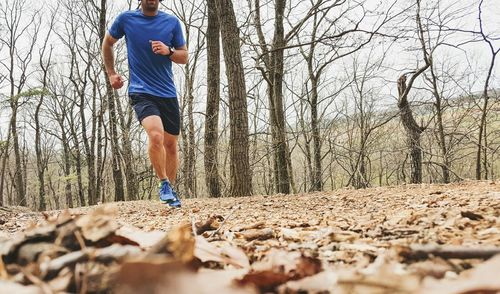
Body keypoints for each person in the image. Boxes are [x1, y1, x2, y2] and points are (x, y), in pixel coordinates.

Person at [102, 0, 188, 208]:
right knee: (155, 135)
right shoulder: (126, 19)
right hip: (141, 90)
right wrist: (112, 73)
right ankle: (164, 183)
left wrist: (168, 51)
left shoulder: (172, 22)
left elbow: (184, 57)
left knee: (171, 145)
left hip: (167, 93)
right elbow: (108, 43)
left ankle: (171, 193)